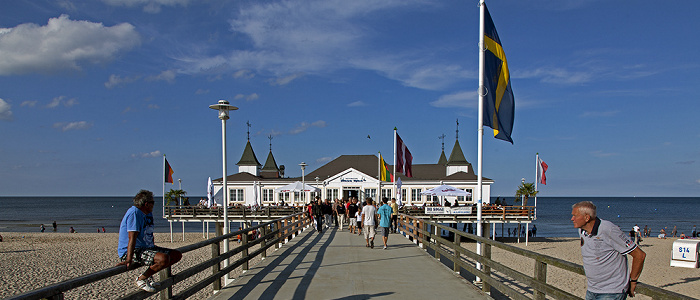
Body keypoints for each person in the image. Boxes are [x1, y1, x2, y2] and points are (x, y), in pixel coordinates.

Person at [571, 201, 645, 299]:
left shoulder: (608, 229)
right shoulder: (581, 230)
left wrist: (633, 280)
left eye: (575, 216)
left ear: (587, 218)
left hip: (611, 292)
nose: (572, 219)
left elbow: (639, 255)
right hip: (592, 289)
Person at [117, 190, 182, 292]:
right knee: (163, 259)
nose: (154, 205)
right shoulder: (134, 213)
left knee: (176, 255)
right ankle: (141, 279)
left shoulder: (148, 214)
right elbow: (132, 237)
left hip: (146, 248)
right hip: (132, 250)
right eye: (153, 203)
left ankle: (149, 276)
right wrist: (128, 259)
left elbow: (149, 233)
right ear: (146, 204)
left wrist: (153, 249)